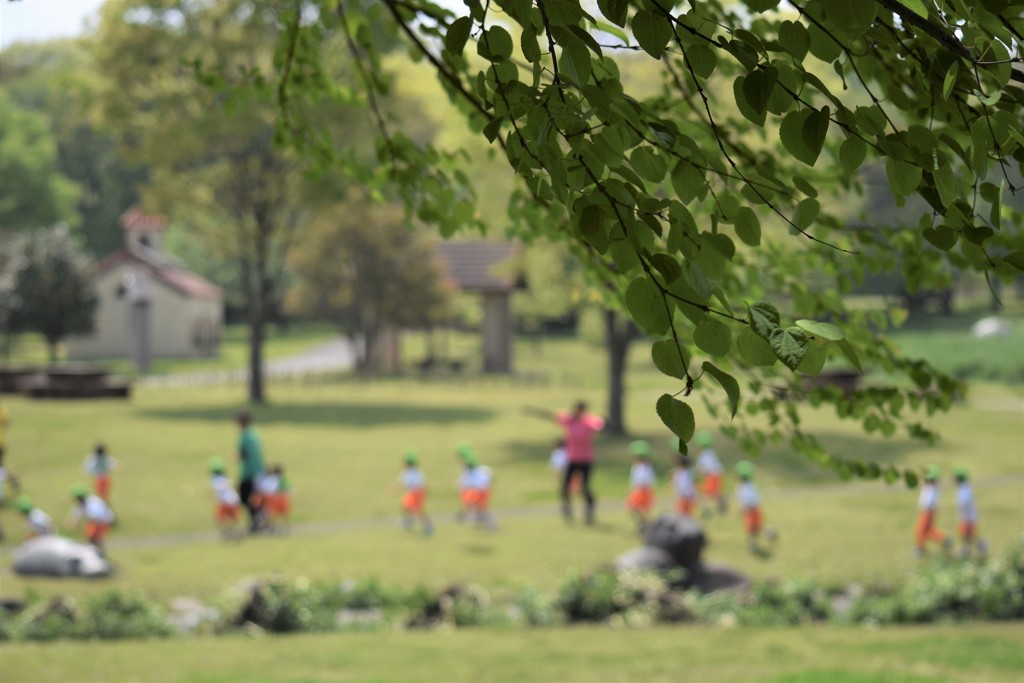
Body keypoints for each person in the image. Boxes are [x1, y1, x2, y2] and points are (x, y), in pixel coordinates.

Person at [527, 401, 605, 524]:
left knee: (584, 487)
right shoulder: (570, 420)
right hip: (573, 458)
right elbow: (557, 417)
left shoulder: (588, 421)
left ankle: (589, 509)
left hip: (586, 459)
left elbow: (598, 424)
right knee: (565, 486)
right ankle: (567, 508)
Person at [235, 411, 266, 533]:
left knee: (245, 498)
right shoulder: (255, 434)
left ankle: (255, 522)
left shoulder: (244, 436)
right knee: (256, 498)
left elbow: (242, 455)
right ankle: (260, 521)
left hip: (248, 472)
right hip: (259, 470)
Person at [735, 460, 774, 554]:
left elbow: (747, 501)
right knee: (755, 529)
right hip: (755, 510)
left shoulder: (744, 488)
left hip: (751, 511)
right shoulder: (750, 485)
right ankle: (768, 533)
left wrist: (741, 509)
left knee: (751, 530)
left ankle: (754, 543)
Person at [915, 464, 951, 557]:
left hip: (927, 510)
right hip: (929, 510)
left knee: (921, 529)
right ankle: (944, 540)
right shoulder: (932, 487)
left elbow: (927, 500)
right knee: (929, 530)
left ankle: (921, 548)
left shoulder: (930, 488)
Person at [68, 483, 115, 554]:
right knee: (91, 538)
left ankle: (99, 552)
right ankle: (94, 551)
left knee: (96, 538)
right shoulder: (80, 505)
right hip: (94, 521)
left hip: (102, 521)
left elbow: (98, 516)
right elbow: (75, 516)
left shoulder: (93, 502)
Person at [952, 466, 987, 559]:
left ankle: (980, 545)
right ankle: (967, 549)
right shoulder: (963, 488)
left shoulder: (964, 490)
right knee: (967, 536)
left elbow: (964, 503)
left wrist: (964, 518)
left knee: (968, 535)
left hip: (967, 518)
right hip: (966, 517)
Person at [397, 451, 433, 536]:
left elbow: (406, 483)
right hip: (417, 492)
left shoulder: (409, 472)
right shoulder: (416, 471)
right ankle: (409, 522)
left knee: (415, 510)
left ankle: (426, 526)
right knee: (407, 507)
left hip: (415, 492)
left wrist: (397, 488)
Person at [209, 457, 243, 540]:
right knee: (233, 518)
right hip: (234, 501)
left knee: (220, 517)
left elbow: (219, 489)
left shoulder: (215, 480)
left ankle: (227, 532)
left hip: (226, 501)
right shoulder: (226, 478)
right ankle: (234, 531)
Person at [626, 440, 656, 532]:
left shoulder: (647, 467)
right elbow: (633, 479)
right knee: (633, 508)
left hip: (643, 490)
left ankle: (646, 524)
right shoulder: (635, 466)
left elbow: (647, 480)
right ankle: (644, 523)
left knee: (638, 508)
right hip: (637, 490)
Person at [695, 431, 727, 516]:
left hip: (711, 476)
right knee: (714, 493)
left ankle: (708, 510)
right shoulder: (712, 453)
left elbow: (704, 469)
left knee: (710, 494)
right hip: (717, 474)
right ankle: (721, 505)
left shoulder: (703, 455)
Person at [464, 453, 497, 531]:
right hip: (476, 491)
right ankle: (479, 522)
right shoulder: (470, 472)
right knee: (476, 508)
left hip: (482, 491)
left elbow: (490, 479)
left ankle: (490, 524)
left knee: (482, 509)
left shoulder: (482, 470)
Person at [670, 439, 698, 517]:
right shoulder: (682, 472)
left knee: (683, 514)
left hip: (684, 496)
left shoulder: (685, 473)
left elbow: (684, 486)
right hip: (684, 496)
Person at [264, 464, 292, 533]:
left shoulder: (272, 478)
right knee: (283, 514)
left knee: (271, 513)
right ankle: (286, 527)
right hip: (282, 497)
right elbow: (288, 489)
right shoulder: (283, 479)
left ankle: (271, 527)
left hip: (274, 497)